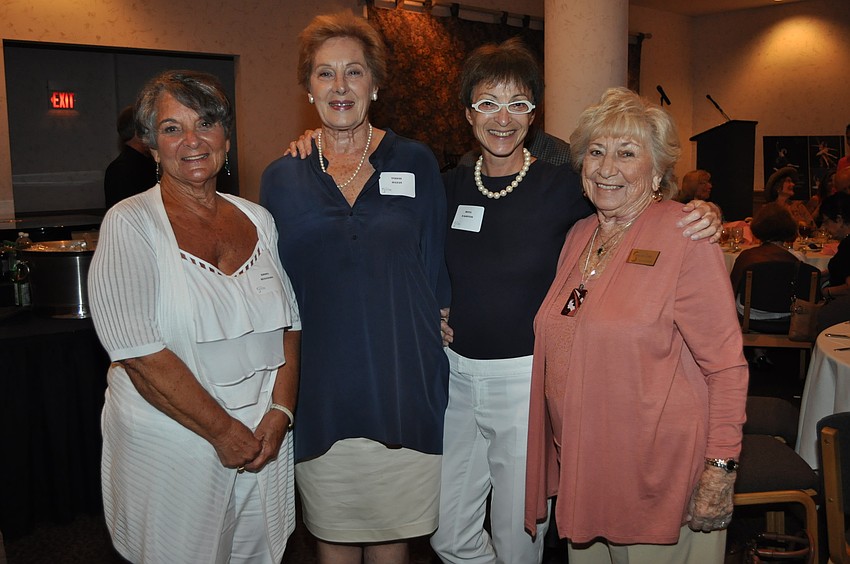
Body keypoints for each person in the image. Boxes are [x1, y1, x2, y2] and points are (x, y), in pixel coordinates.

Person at [432, 41, 721, 564]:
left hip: (526, 377)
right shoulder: (446, 186)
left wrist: (703, 211)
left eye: (518, 103)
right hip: (456, 375)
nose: (503, 117)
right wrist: (435, 306)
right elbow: (408, 253)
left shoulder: (566, 185)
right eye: (488, 103)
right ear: (466, 112)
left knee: (517, 532)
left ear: (534, 114)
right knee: (447, 535)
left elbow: (635, 197)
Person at [525, 87, 748, 564]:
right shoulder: (579, 235)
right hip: (586, 466)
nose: (607, 168)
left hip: (657, 473)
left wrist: (721, 467)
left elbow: (726, 366)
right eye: (596, 152)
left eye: (627, 153)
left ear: (657, 171)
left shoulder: (685, 234)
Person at [88, 70, 301, 564]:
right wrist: (223, 433)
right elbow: (138, 353)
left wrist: (281, 413)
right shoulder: (130, 224)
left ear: (226, 135)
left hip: (262, 437)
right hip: (175, 443)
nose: (192, 140)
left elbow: (290, 322)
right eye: (171, 128)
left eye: (206, 122)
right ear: (151, 145)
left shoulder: (257, 219)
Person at [259, 12, 448, 564]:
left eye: (354, 72)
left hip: (402, 385)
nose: (340, 86)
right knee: (332, 544)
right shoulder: (280, 177)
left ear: (376, 84)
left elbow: (437, 268)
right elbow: (270, 288)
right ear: (308, 88)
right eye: (325, 74)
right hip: (322, 392)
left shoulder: (415, 160)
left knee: (394, 547)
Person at [103, 105, 157, 208]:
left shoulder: (142, 163)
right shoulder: (123, 168)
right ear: (138, 132)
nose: (153, 135)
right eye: (149, 129)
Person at [764, 165, 816, 232]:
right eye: (788, 181)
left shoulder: (799, 207)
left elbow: (813, 228)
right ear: (777, 187)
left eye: (792, 182)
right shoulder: (769, 210)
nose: (793, 184)